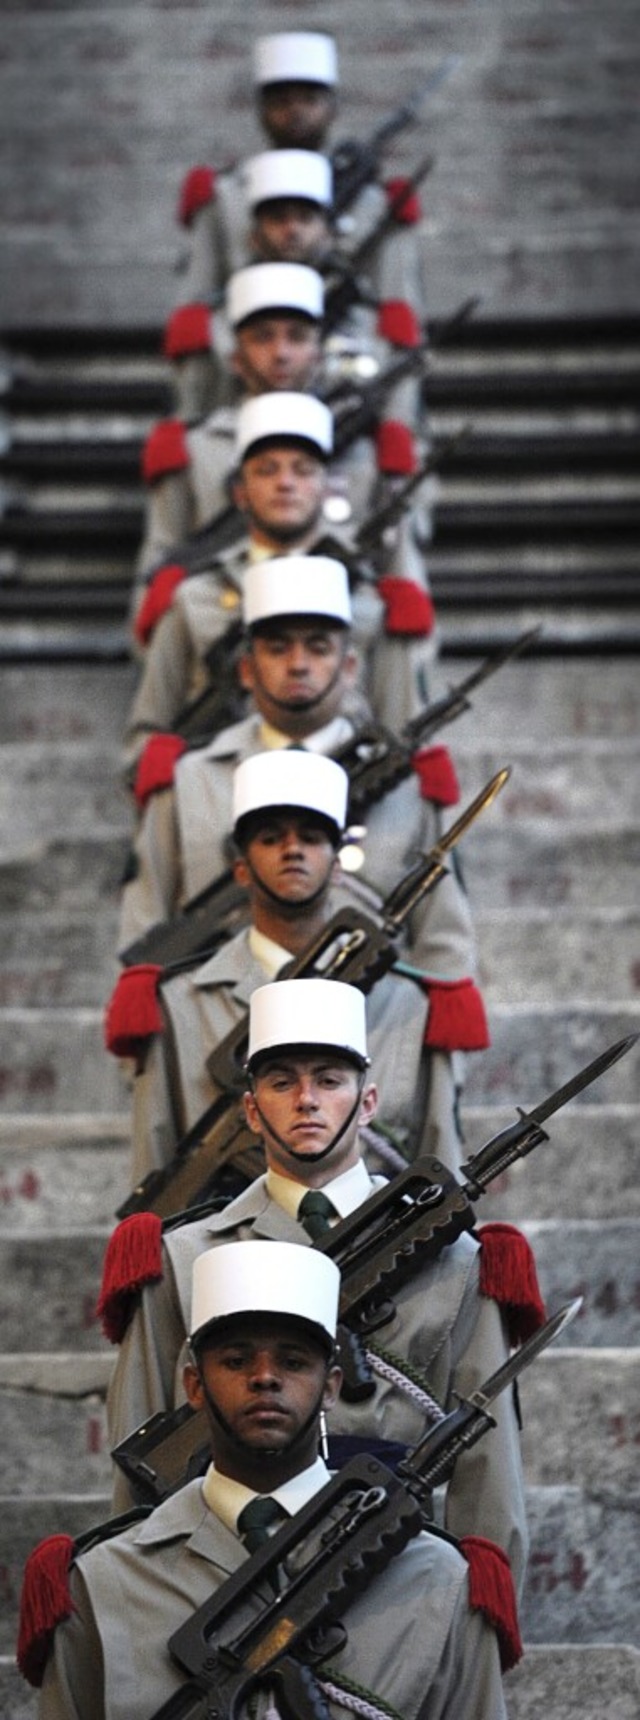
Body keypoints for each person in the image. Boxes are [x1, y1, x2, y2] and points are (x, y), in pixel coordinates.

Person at [101, 977, 540, 1612]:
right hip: (221, 1575)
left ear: (367, 1102)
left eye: (330, 1081)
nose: (307, 1100)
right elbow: (140, 1451)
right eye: (281, 1082)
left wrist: (473, 1616)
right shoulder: (183, 1257)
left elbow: (488, 1467)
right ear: (252, 1110)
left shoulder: (459, 1260)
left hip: (393, 1578)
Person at [20, 1240, 513, 1716]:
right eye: (236, 1361)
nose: (265, 1378)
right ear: (193, 1385)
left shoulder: (437, 1578)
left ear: (331, 1389)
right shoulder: (105, 1580)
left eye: (294, 1362)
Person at [117, 554, 474, 1059]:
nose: (299, 664)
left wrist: (427, 1065)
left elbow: (443, 938)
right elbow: (145, 922)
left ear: (350, 666)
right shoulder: (186, 778)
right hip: (214, 1039)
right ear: (245, 668)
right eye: (277, 647)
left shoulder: (410, 786)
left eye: (319, 647)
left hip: (371, 1037)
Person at [107, 749, 469, 1190]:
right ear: (240, 869)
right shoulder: (180, 1001)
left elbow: (440, 1163)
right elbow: (154, 1156)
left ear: (338, 866)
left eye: (312, 837)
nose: (292, 850)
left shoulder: (410, 1003)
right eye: (270, 838)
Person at [122, 393, 437, 777]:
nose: (285, 484)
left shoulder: (372, 602)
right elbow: (148, 734)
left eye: (303, 470)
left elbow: (403, 733)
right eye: (267, 470)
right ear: (239, 491)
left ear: (326, 486)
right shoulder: (194, 596)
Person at [132, 260, 326, 622]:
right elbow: (163, 549)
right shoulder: (192, 445)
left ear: (318, 353)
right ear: (236, 357)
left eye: (296, 336)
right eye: (263, 337)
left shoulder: (369, 445)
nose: (281, 353)